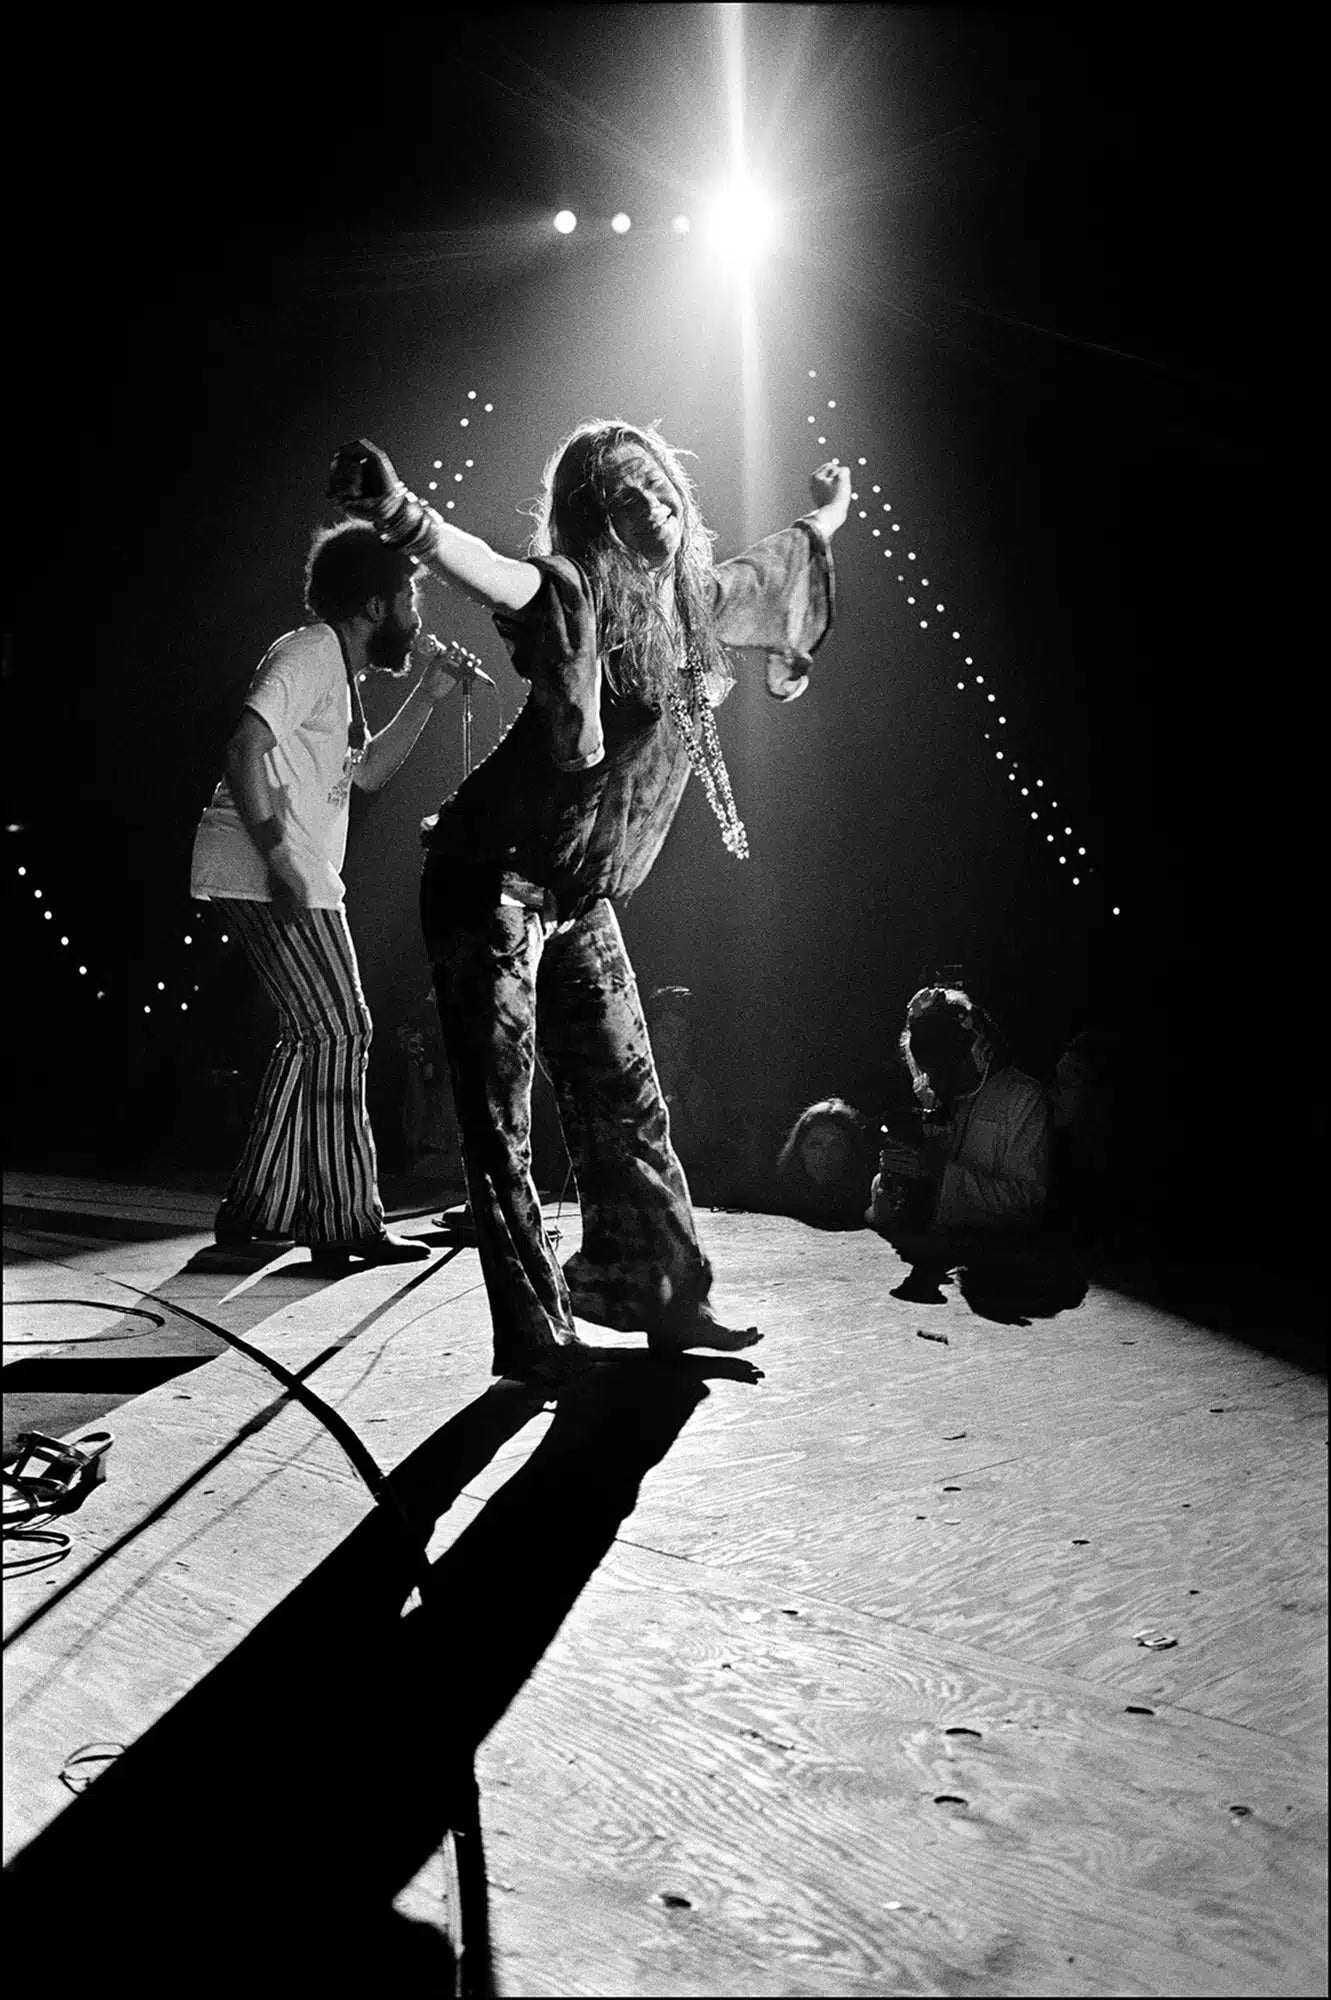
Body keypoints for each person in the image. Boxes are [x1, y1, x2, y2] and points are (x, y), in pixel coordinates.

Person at [328, 421, 849, 1379]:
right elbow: (493, 569)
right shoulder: (571, 591)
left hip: (577, 890)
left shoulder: (693, 604)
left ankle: (664, 1297)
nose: (648, 510)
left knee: (629, 1099)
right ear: (591, 522)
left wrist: (830, 510)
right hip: (491, 879)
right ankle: (535, 1339)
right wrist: (401, 515)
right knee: (501, 1122)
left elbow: (781, 561)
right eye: (621, 501)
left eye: (657, 491)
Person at [190, 522, 478, 1269]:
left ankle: (259, 1210)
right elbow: (244, 743)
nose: (418, 619)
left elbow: (368, 774)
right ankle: (343, 1219)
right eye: (410, 599)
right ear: (376, 606)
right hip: (270, 868)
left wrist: (431, 692)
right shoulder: (310, 650)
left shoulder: (337, 671)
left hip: (288, 870)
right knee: (340, 1028)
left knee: (316, 1031)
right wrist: (280, 853)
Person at [867, 982, 1049, 1251]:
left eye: (946, 1070)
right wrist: (891, 1182)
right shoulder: (939, 1097)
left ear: (978, 1050)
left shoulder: (1024, 1098)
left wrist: (938, 1174)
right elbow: (888, 1207)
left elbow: (1027, 1203)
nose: (940, 1083)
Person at [774, 1097, 875, 1229]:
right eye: (815, 1145)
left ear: (851, 1151)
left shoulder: (870, 1201)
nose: (825, 1156)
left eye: (836, 1146)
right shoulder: (776, 1200)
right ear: (800, 1149)